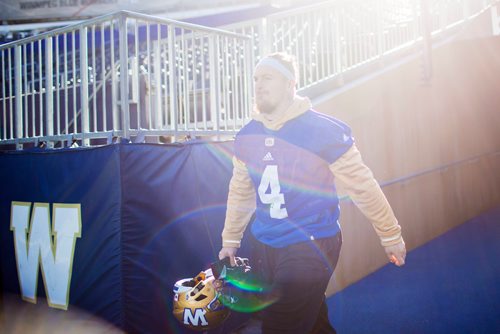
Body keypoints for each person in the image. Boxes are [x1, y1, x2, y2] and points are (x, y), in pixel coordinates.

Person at [218, 53, 406, 333]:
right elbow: (240, 191)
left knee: (280, 325)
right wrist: (230, 240)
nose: (258, 84)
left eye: (267, 77)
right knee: (311, 322)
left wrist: (390, 233)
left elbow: (362, 184)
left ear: (291, 83)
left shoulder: (322, 131)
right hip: (266, 244)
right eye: (256, 79)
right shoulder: (247, 136)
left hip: (311, 243)